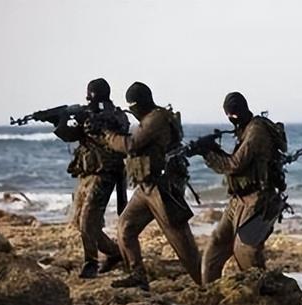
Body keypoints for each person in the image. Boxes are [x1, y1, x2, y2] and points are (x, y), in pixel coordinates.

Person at [89, 82, 201, 290]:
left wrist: (107, 133)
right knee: (126, 227)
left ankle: (205, 282)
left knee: (181, 241)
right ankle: (137, 275)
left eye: (132, 108)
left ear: (140, 104)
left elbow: (131, 145)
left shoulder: (156, 119)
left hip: (162, 188)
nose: (132, 113)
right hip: (147, 186)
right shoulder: (152, 117)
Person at [197, 92, 288, 285]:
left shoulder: (256, 130)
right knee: (216, 245)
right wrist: (211, 148)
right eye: (229, 115)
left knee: (245, 250)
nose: (232, 118)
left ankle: (265, 293)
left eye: (234, 114)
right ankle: (208, 292)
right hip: (238, 199)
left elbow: (235, 164)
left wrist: (207, 153)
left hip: (257, 199)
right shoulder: (245, 129)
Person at [66, 78, 128, 279]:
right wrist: (61, 121)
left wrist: (92, 119)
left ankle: (90, 262)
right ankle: (114, 252)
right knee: (79, 221)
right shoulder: (87, 115)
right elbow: (70, 135)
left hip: (105, 174)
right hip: (86, 174)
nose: (88, 98)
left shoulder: (115, 115)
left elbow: (117, 128)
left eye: (90, 93)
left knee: (88, 221)